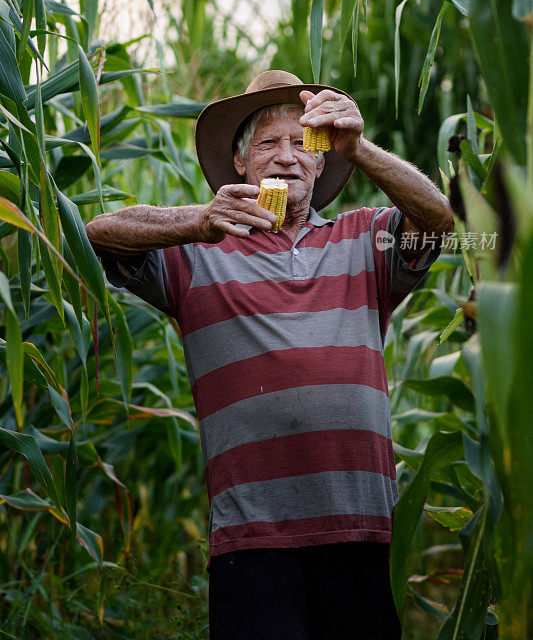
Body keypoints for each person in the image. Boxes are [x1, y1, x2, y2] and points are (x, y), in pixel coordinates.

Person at [85, 69, 453, 639]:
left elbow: (438, 220)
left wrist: (359, 148)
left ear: (322, 160)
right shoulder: (195, 252)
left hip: (360, 526)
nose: (287, 157)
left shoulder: (365, 237)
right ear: (240, 163)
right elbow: (95, 232)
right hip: (253, 536)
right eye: (267, 142)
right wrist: (197, 219)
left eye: (303, 143)